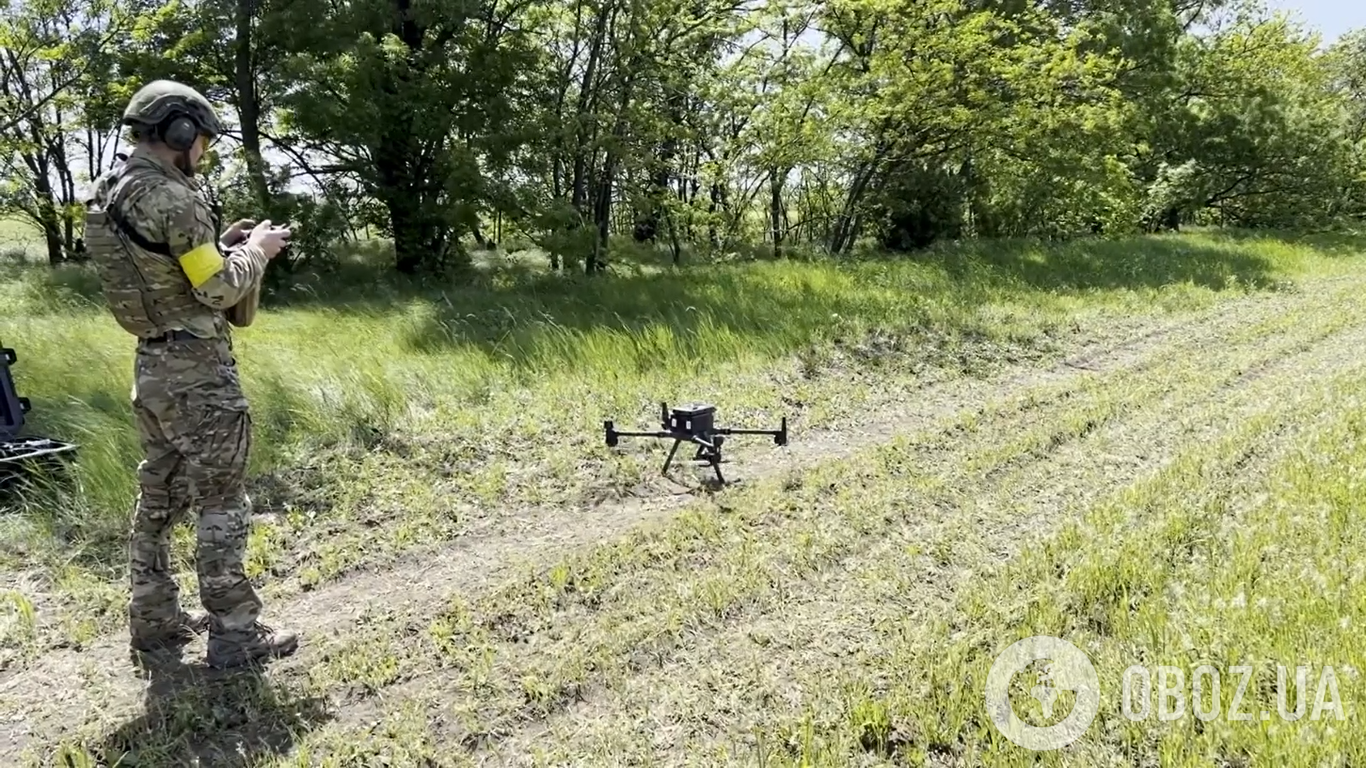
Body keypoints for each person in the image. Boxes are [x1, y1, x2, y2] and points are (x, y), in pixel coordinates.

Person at [82, 79, 298, 669]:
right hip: (197, 370)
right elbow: (217, 287)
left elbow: (168, 266)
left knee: (157, 494)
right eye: (201, 139)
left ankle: (154, 620)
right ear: (180, 132)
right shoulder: (176, 199)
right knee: (221, 499)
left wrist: (220, 242)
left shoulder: (108, 194)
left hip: (150, 365)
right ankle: (236, 632)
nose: (202, 151)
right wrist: (257, 248)